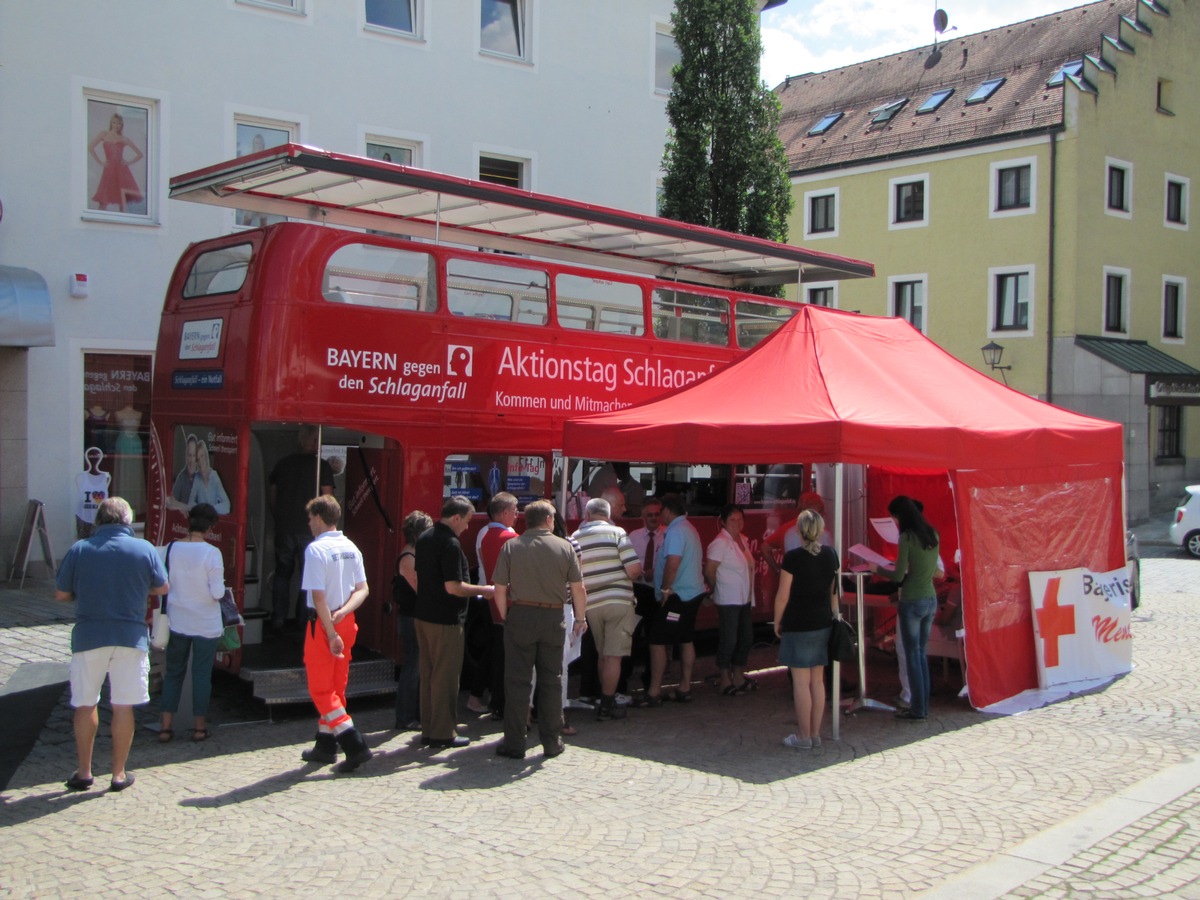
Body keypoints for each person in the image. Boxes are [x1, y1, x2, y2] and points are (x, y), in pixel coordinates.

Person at [54, 497, 169, 792]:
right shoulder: (144, 549)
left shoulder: (80, 550)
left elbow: (62, 595)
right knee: (122, 706)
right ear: (128, 521)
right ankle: (118, 774)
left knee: (84, 703)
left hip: (90, 635)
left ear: (99, 521)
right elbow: (162, 587)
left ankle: (84, 771)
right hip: (130, 636)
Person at [493, 500, 588, 760]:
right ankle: (551, 741)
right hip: (553, 615)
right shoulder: (565, 547)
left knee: (517, 682)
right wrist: (580, 618)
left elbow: (500, 588)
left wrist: (506, 615)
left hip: (521, 614)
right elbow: (578, 588)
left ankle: (514, 742)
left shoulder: (511, 546)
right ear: (548, 520)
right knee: (552, 680)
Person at [298, 495, 373, 772]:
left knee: (320, 688)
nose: (308, 523)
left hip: (323, 624)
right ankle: (325, 745)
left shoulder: (316, 550)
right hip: (346, 619)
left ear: (318, 517)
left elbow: (318, 598)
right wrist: (343, 613)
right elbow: (363, 589)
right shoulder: (351, 547)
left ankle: (354, 744)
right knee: (336, 687)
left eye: (309, 518)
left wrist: (330, 632)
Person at [413, 496, 494, 749]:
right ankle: (443, 733)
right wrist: (484, 590)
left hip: (423, 616)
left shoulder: (425, 537)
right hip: (445, 620)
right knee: (446, 678)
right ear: (456, 517)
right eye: (468, 521)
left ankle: (429, 729)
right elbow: (454, 587)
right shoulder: (450, 544)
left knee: (428, 675)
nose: (468, 527)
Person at [157, 503, 226, 744]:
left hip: (178, 619)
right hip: (206, 623)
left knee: (174, 672)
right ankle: (199, 727)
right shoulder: (212, 553)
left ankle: (165, 727)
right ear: (211, 526)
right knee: (201, 674)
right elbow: (217, 592)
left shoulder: (171, 548)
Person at [871, 495, 941, 722]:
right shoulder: (933, 534)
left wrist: (878, 569)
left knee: (912, 655)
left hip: (912, 599)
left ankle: (917, 708)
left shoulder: (907, 538)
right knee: (921, 654)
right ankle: (923, 705)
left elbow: (899, 575)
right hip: (930, 599)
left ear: (900, 515)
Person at [774, 509, 840, 750]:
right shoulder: (831, 555)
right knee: (818, 681)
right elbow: (834, 593)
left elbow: (783, 595)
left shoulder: (792, 558)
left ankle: (803, 736)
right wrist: (832, 616)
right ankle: (815, 733)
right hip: (822, 621)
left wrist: (777, 620)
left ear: (799, 531)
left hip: (798, 623)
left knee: (801, 683)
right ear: (821, 530)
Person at [571, 497, 641, 721]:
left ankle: (603, 700)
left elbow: (572, 576)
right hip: (618, 601)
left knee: (602, 655)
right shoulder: (617, 533)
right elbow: (633, 571)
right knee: (613, 657)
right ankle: (607, 706)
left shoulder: (575, 538)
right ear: (608, 515)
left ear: (587, 516)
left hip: (591, 604)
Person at [635, 493, 705, 706]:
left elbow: (673, 563)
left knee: (657, 640)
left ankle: (654, 692)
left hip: (677, 596)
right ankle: (684, 687)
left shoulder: (675, 531)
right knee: (685, 639)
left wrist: (665, 589)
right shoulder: (689, 528)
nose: (659, 516)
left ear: (667, 510)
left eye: (660, 511)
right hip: (692, 593)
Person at [268, 425, 335, 632]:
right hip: (310, 530)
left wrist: (278, 516)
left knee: (282, 573)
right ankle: (303, 623)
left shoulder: (282, 464)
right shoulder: (321, 467)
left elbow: (272, 493)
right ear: (314, 442)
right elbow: (328, 499)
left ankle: (278, 618)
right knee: (308, 577)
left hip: (284, 526)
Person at [468, 492, 519, 718]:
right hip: (500, 600)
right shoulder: (508, 537)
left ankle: (479, 695)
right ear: (505, 512)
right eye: (515, 512)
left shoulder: (483, 532)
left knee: (492, 650)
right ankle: (494, 700)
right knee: (499, 653)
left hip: (485, 596)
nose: (517, 516)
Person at [705, 503, 757, 695]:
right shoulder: (720, 542)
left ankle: (738, 674)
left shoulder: (742, 540)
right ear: (724, 522)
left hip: (744, 598)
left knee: (746, 637)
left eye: (740, 519)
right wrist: (714, 589)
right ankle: (725, 677)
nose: (737, 523)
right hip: (728, 598)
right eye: (732, 520)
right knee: (729, 639)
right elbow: (709, 570)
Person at [393, 509, 433, 731]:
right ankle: (405, 717)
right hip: (410, 619)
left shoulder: (414, 554)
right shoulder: (408, 557)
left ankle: (416, 714)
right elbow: (421, 588)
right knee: (412, 667)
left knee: (418, 666)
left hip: (416, 617)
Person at [625, 497, 664, 692]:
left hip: (657, 592)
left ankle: (650, 680)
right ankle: (625, 676)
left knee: (654, 637)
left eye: (657, 514)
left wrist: (655, 571)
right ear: (643, 516)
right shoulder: (634, 536)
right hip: (638, 590)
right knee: (630, 635)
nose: (653, 518)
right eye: (650, 515)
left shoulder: (667, 535)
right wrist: (639, 571)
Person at [89, 112, 144, 212]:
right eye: (114, 123)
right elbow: (90, 147)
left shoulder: (123, 139)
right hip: (109, 170)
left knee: (122, 201)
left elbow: (140, 154)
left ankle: (123, 223)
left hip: (121, 171)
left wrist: (128, 162)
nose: (116, 125)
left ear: (122, 125)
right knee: (103, 201)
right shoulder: (104, 134)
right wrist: (100, 162)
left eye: (119, 123)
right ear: (111, 123)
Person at [187, 440, 231, 515]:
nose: (200, 461)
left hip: (212, 519)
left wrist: (210, 509)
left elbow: (227, 505)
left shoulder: (214, 476)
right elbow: (190, 503)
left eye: (202, 456)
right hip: (200, 520)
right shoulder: (197, 478)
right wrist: (201, 509)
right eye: (197, 459)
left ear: (206, 456)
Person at [166, 433, 199, 512]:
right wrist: (187, 507)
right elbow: (171, 502)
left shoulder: (202, 476)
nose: (191, 460)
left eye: (194, 456)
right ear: (186, 456)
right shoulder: (181, 477)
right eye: (189, 455)